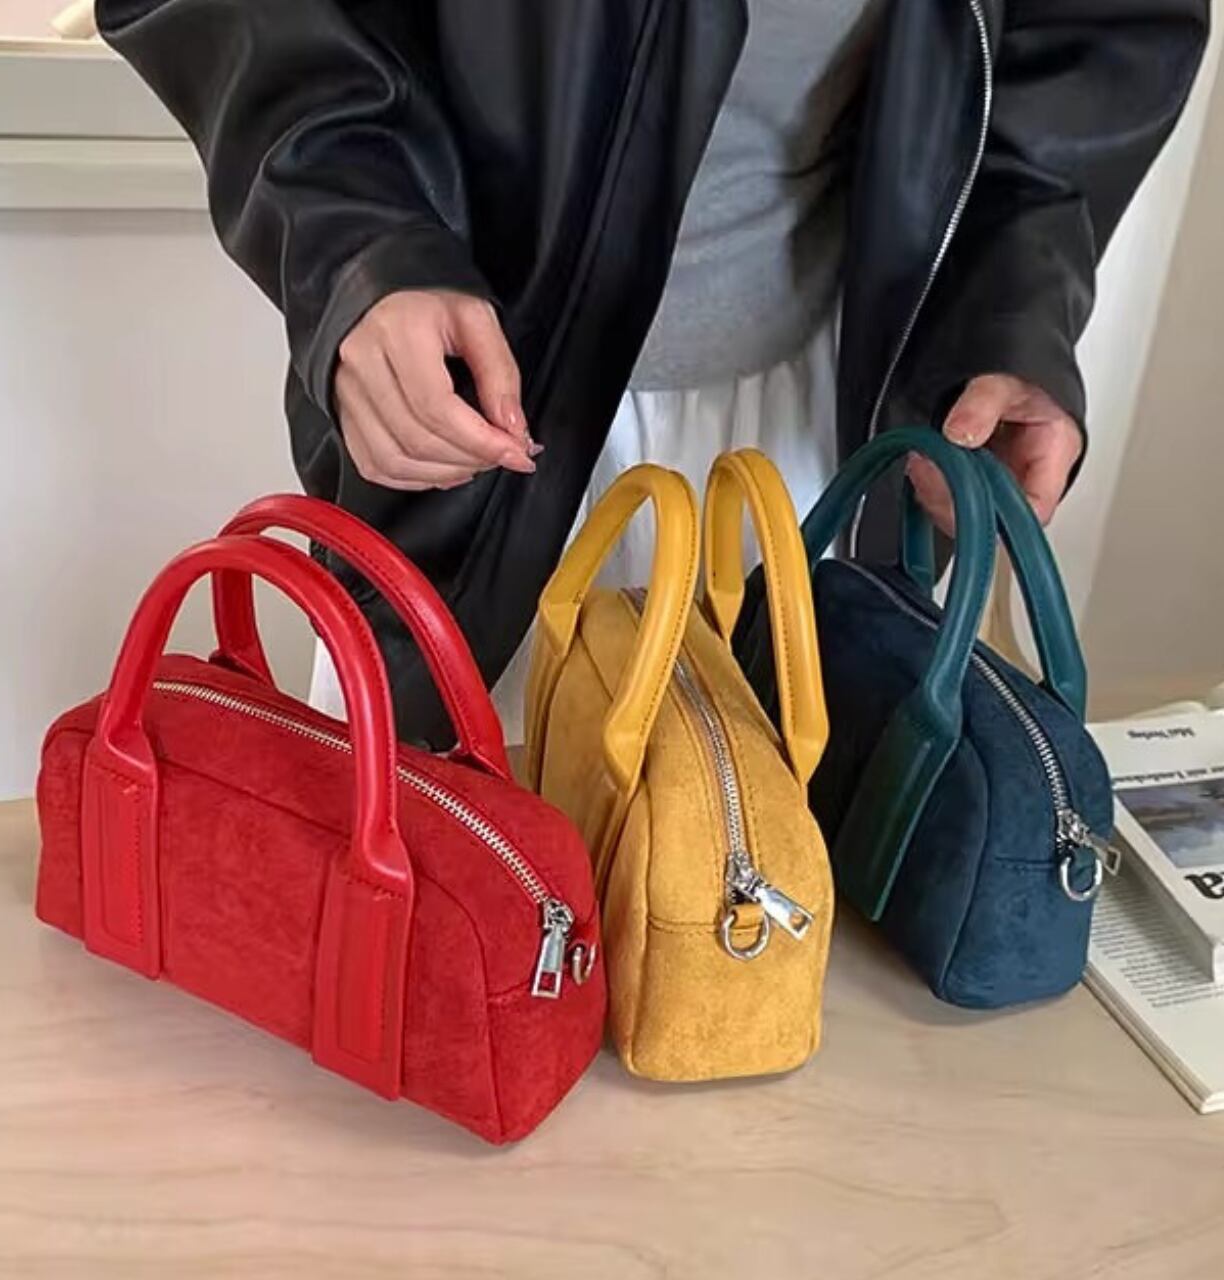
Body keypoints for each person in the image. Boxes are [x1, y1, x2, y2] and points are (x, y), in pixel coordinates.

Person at [96, 0, 1207, 744]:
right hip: (482, 406)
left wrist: (1004, 314)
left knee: (762, 940)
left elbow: (1093, 35)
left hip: (828, 433)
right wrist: (357, 245)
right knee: (441, 921)